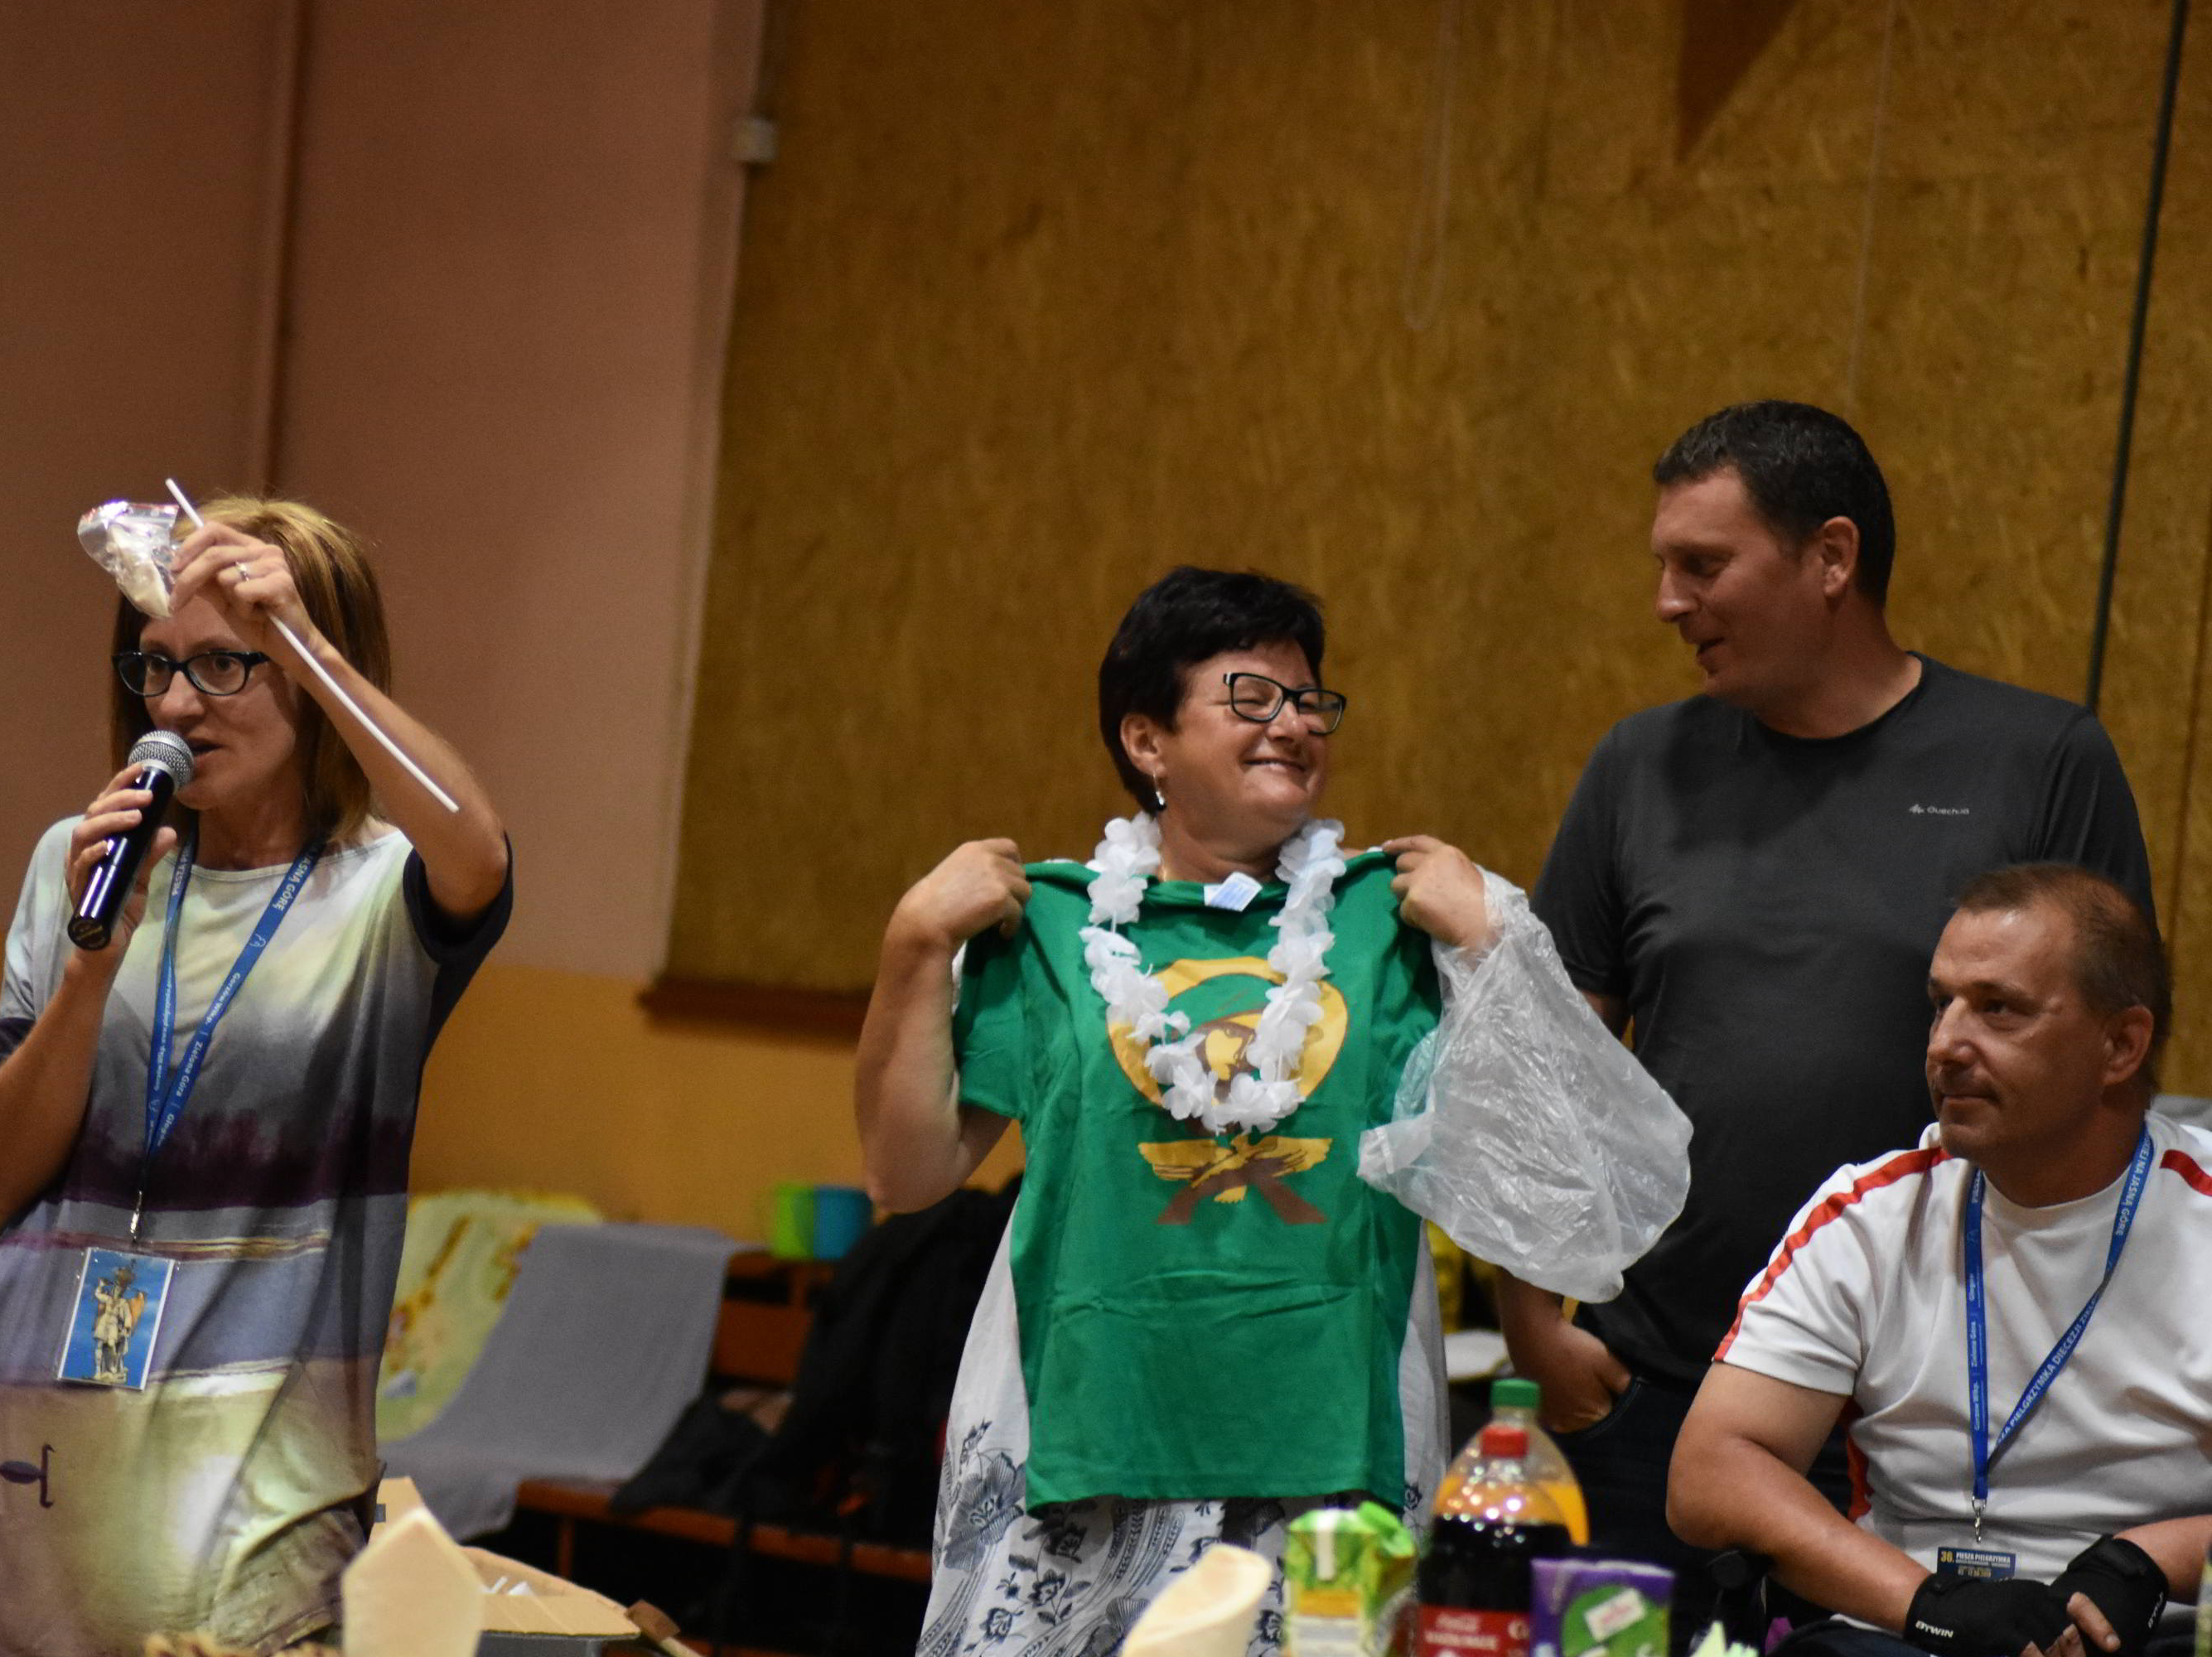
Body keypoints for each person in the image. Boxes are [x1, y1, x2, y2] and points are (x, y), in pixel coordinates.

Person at [867, 568, 1686, 1657]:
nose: (1294, 724)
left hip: (1331, 1461)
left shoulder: (1401, 923)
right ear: (1147, 740)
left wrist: (1496, 950)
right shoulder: (1051, 926)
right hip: (1076, 1444)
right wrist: (915, 944)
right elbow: (908, 1172)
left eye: (1309, 701)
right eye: (1251, 697)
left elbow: (1574, 1179)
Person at [1511, 401, 2154, 1585]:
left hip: (1936, 1400)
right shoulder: (1639, 765)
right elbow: (1553, 1056)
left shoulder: (2038, 759)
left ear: (1831, 558)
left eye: (1703, 564)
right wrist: (1530, 1321)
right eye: (1663, 566)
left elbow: (2114, 1066)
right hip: (1657, 1382)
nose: (1666, 601)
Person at [0, 499, 512, 1655]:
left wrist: (307, 642)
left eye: (227, 664)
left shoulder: (382, 888)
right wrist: (91, 967)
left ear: (311, 674)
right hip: (10, 1460)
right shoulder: (85, 857)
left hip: (254, 1493)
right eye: (158, 666)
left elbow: (478, 848)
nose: (176, 705)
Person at [1670, 864, 2211, 1657]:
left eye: (1998, 1009)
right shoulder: (1870, 1218)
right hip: (1903, 1631)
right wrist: (1932, 1604)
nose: (1945, 1045)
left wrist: (2152, 1560)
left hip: (2150, 1636)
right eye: (1941, 1004)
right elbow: (1710, 1475)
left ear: (2121, 1044)